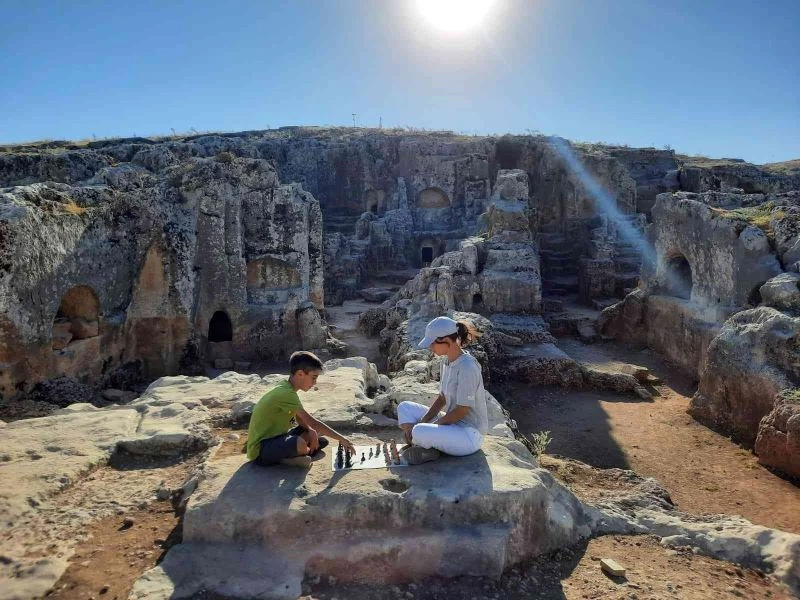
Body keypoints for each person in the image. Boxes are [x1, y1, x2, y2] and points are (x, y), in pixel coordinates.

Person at [397, 316, 489, 465]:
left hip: (469, 435)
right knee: (404, 408)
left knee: (420, 430)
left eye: (432, 343)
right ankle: (426, 445)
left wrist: (429, 427)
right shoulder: (446, 362)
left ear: (446, 340)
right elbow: (441, 399)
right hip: (453, 426)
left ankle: (427, 445)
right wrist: (424, 421)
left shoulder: (467, 367)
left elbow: (462, 411)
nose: (430, 347)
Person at [246, 351, 356, 467]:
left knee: (320, 440)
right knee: (300, 443)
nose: (315, 383)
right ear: (300, 374)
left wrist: (310, 431)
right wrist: (343, 440)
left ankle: (296, 454)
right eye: (313, 377)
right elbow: (313, 422)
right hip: (260, 450)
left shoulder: (286, 387)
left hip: (278, 438)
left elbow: (300, 419)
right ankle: (289, 458)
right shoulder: (285, 393)